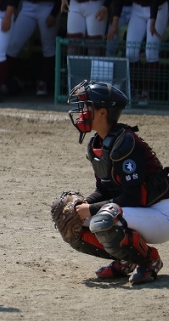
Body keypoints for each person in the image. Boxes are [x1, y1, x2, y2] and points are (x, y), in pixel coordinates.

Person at [62, 80, 169, 285]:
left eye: (87, 106)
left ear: (102, 112)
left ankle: (149, 260)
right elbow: (103, 190)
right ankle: (126, 260)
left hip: (160, 213)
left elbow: (134, 196)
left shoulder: (126, 143)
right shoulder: (97, 143)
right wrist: (82, 204)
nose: (82, 112)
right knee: (69, 217)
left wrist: (91, 209)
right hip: (137, 212)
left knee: (105, 217)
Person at [106, 0, 166, 106]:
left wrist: (153, 22)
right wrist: (115, 25)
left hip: (159, 9)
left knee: (151, 51)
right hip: (138, 9)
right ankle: (133, 89)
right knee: (131, 51)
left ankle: (146, 92)